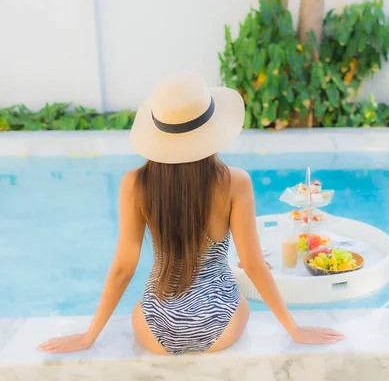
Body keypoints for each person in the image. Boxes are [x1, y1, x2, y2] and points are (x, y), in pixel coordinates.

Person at [38, 74, 344, 355]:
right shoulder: (235, 182)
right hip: (220, 323)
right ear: (212, 130)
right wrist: (294, 329)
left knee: (141, 306)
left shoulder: (135, 184)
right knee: (242, 303)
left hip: (156, 329)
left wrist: (88, 336)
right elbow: (252, 264)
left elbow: (123, 268)